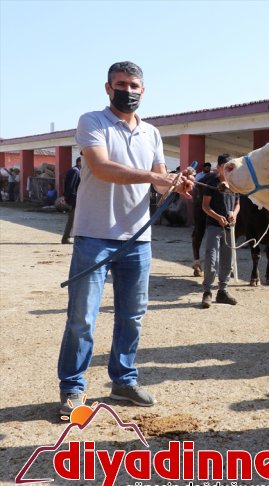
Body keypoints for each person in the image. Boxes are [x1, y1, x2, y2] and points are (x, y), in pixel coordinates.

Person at [57, 61, 195, 416]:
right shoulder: (93, 122)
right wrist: (154, 176)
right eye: (121, 84)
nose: (128, 91)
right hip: (94, 236)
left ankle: (123, 380)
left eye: (134, 85)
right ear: (108, 88)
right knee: (82, 319)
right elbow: (102, 168)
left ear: (143, 91)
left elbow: (160, 181)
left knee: (132, 316)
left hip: (138, 242)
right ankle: (73, 388)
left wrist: (176, 184)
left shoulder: (151, 133)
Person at [200, 154, 240, 308]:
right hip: (214, 227)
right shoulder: (211, 183)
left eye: (230, 167)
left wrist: (234, 214)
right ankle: (207, 292)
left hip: (229, 228)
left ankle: (222, 291)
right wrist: (217, 217)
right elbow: (205, 206)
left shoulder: (234, 184)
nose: (228, 170)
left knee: (227, 261)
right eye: (225, 167)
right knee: (212, 259)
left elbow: (237, 204)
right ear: (218, 167)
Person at [191, 162, 211, 276]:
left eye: (209, 167)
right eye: (206, 166)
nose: (208, 168)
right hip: (202, 205)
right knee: (199, 232)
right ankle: (197, 262)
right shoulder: (199, 177)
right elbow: (195, 188)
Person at [61, 157, 81, 243]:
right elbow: (71, 187)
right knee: (72, 219)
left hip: (73, 198)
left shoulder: (73, 170)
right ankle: (65, 238)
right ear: (79, 162)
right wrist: (71, 199)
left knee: (74, 219)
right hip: (74, 199)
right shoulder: (75, 171)